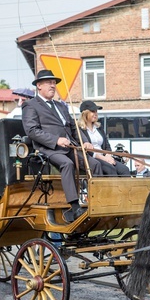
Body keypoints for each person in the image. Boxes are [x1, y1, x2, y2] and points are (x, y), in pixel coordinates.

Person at [22, 69, 103, 223]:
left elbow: (74, 127)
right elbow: (32, 131)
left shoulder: (61, 106)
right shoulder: (30, 105)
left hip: (70, 147)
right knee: (67, 164)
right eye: (49, 83)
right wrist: (56, 140)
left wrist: (84, 141)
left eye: (54, 83)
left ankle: (97, 202)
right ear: (39, 85)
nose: (53, 86)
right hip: (48, 149)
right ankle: (74, 207)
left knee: (95, 164)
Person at [77, 100, 130, 176]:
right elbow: (88, 151)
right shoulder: (79, 130)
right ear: (85, 113)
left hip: (105, 156)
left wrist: (108, 155)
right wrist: (105, 159)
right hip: (93, 158)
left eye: (96, 111)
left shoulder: (99, 128)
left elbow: (107, 145)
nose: (95, 114)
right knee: (110, 169)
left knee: (124, 169)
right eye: (93, 111)